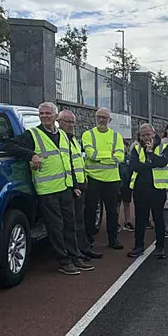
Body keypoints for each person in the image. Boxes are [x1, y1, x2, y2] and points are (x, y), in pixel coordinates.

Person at [3, 102, 93, 275]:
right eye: (41, 113)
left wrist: (74, 185)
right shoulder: (33, 134)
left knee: (70, 224)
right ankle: (64, 261)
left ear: (55, 115)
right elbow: (9, 145)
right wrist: (32, 155)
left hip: (65, 188)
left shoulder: (63, 135)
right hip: (47, 190)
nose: (44, 116)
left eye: (47, 113)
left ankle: (75, 257)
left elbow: (69, 162)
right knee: (56, 227)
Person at [57, 110, 102, 260]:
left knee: (79, 220)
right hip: (69, 185)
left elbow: (77, 161)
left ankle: (83, 248)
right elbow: (66, 163)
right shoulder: (60, 138)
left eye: (72, 122)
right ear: (59, 121)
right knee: (72, 222)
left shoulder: (72, 139)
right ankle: (76, 252)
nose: (70, 125)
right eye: (67, 121)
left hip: (80, 184)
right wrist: (75, 185)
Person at [82, 108, 125, 250]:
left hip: (112, 180)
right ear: (95, 118)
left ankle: (113, 240)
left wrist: (100, 158)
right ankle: (88, 239)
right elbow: (90, 154)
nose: (101, 120)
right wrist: (109, 155)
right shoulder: (88, 135)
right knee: (90, 210)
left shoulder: (116, 136)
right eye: (99, 117)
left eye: (104, 118)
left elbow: (120, 157)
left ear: (109, 120)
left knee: (112, 211)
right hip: (93, 179)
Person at [126, 124, 168, 259]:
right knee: (140, 219)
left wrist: (150, 154)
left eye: (148, 134)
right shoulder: (136, 148)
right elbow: (134, 166)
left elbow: (163, 162)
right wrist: (151, 164)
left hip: (158, 189)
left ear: (154, 133)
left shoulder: (164, 147)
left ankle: (160, 247)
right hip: (140, 189)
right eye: (143, 135)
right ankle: (138, 246)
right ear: (139, 136)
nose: (146, 138)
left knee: (158, 219)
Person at [119, 138, 134, 231]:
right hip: (117, 184)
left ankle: (127, 222)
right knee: (116, 204)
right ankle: (115, 223)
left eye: (125, 145)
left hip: (127, 184)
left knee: (127, 203)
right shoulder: (116, 159)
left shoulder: (129, 158)